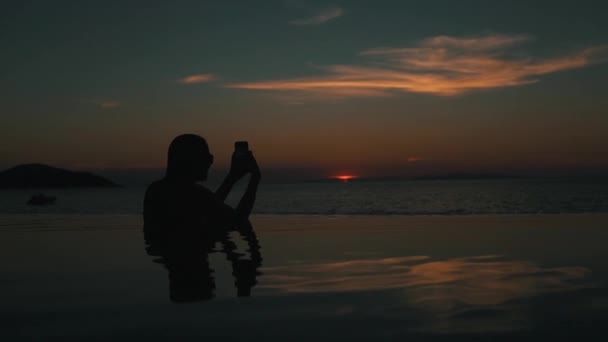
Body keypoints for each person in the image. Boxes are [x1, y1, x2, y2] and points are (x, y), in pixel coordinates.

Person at [142, 134, 262, 302]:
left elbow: (208, 207)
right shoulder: (194, 195)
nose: (210, 162)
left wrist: (232, 178)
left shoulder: (156, 191)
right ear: (190, 160)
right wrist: (255, 178)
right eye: (208, 157)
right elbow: (238, 220)